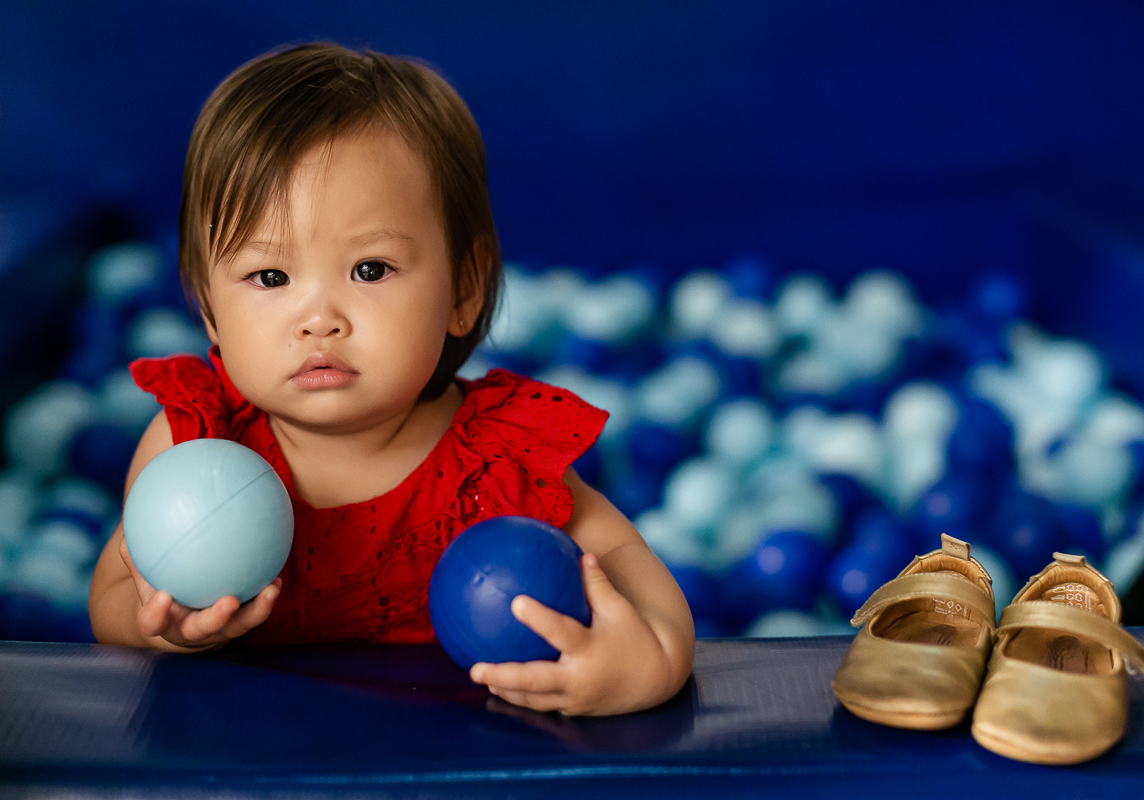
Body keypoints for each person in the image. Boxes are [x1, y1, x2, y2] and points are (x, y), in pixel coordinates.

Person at [88, 43, 694, 716]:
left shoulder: (497, 462)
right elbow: (115, 597)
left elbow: (621, 558)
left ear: (463, 287)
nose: (319, 320)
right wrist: (168, 631)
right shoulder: (195, 449)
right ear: (208, 308)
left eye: (370, 270)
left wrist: (651, 661)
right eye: (270, 277)